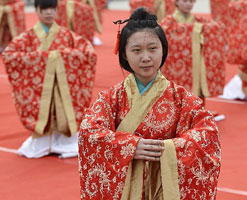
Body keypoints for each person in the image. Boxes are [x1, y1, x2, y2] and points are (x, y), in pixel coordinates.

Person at [78, 7, 221, 200]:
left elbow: (207, 132)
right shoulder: (110, 98)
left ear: (163, 50)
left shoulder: (180, 98)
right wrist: (129, 147)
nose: (146, 57)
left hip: (164, 189)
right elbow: (89, 132)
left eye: (153, 48)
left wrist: (169, 149)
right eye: (136, 50)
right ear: (125, 54)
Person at [2, 0, 97, 158]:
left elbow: (88, 52)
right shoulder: (27, 37)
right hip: (38, 89)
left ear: (57, 11)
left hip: (63, 87)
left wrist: (60, 58)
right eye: (44, 9)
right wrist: (45, 59)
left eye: (52, 9)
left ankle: (65, 140)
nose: (48, 13)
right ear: (37, 11)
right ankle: (43, 140)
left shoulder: (66, 35)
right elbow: (9, 55)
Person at [160, 0, 226, 118]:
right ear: (177, 2)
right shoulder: (169, 21)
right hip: (177, 63)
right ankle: (178, 114)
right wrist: (195, 31)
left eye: (191, 1)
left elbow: (217, 27)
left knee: (198, 83)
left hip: (196, 64)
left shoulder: (198, 20)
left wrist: (196, 30)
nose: (188, 4)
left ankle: (198, 110)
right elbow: (164, 33)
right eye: (185, 1)